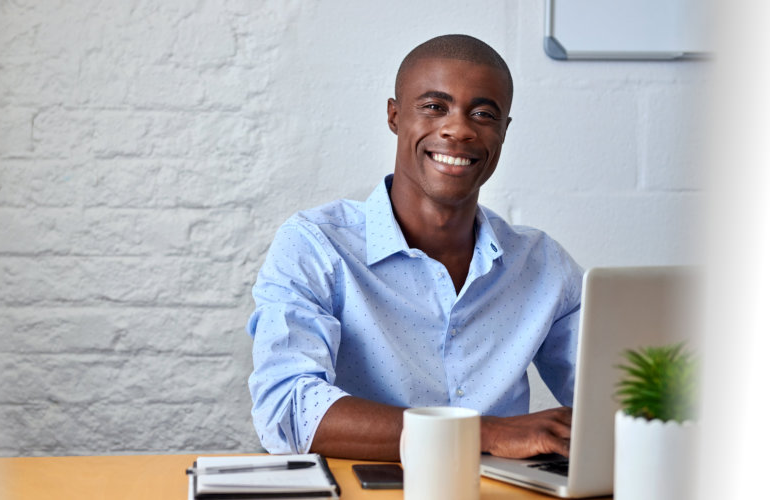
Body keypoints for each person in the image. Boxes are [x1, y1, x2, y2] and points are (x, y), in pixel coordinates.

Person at [246, 34, 583, 462]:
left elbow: (619, 401)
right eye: (434, 106)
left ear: (503, 131)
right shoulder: (317, 245)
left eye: (483, 113)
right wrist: (483, 433)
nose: (458, 128)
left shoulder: (542, 265)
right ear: (394, 116)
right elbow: (288, 410)